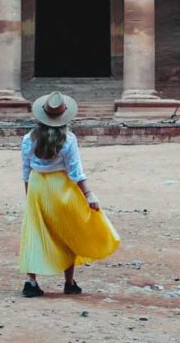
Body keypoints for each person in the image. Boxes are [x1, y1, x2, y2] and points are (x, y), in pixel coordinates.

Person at [19, 90, 120, 297]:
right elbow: (76, 171)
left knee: (35, 231)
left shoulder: (29, 138)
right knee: (68, 230)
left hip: (37, 186)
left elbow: (26, 170)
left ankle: (31, 282)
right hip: (61, 186)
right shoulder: (68, 139)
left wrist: (29, 196)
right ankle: (69, 282)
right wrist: (89, 194)